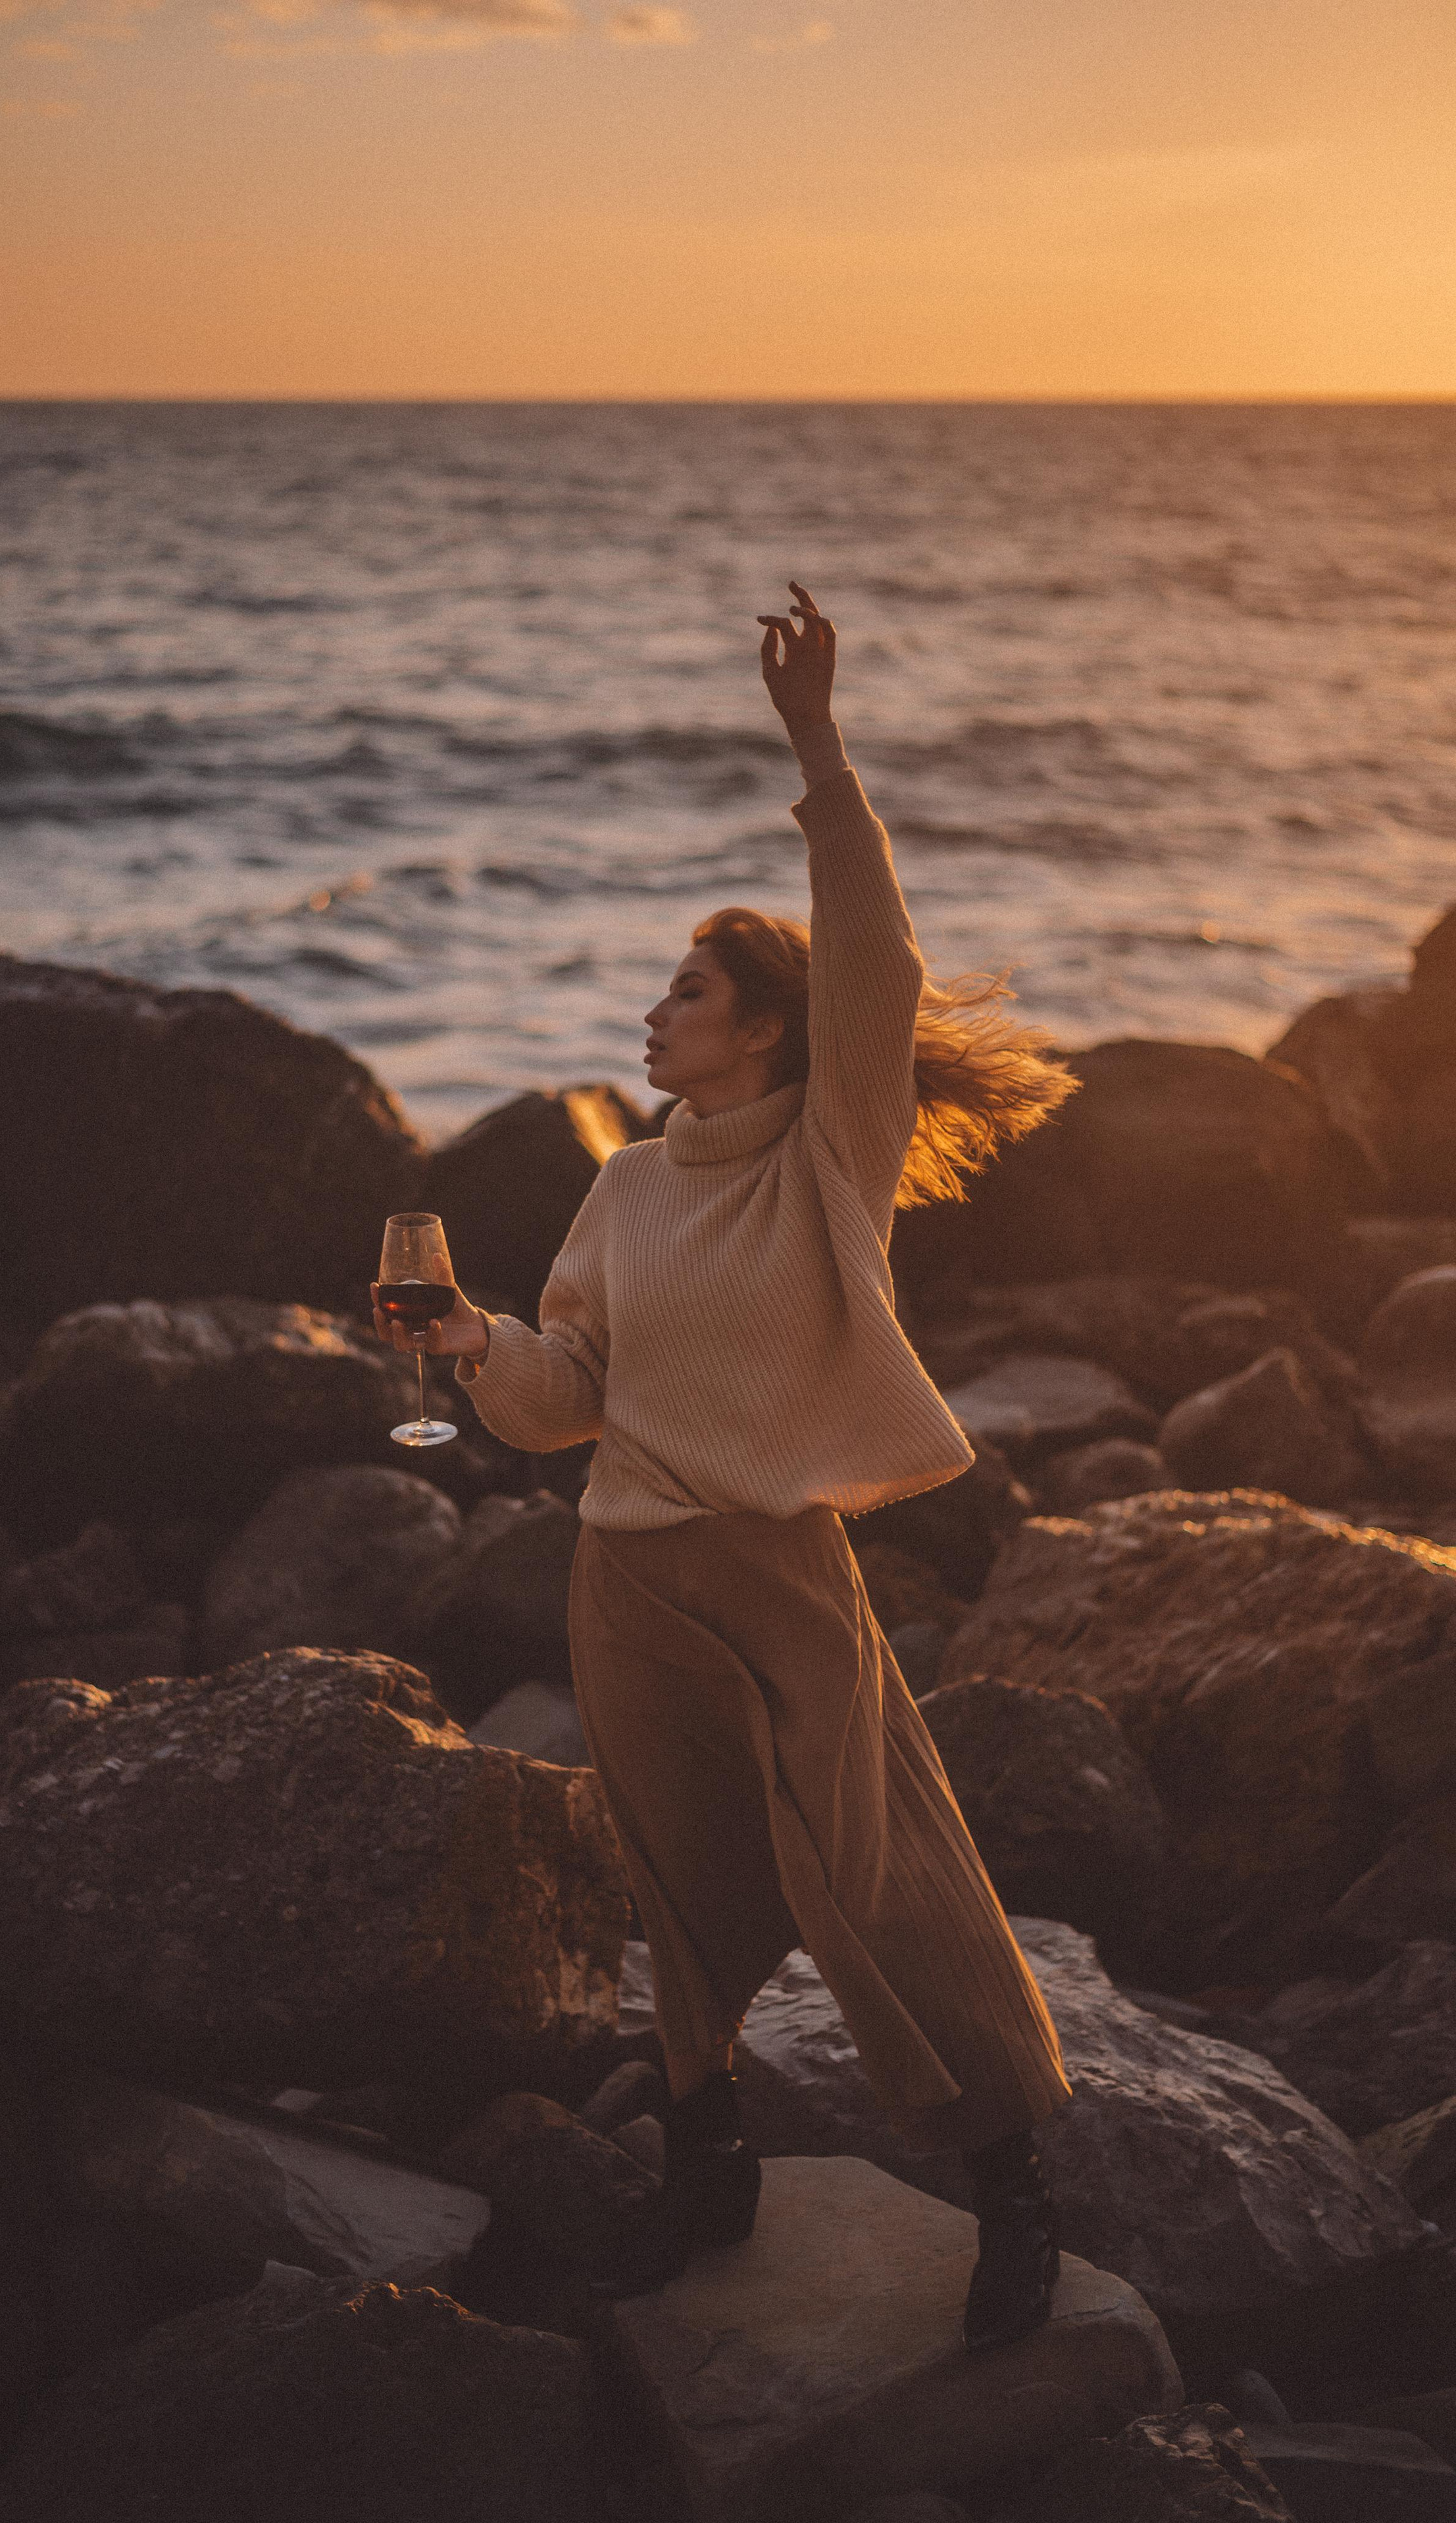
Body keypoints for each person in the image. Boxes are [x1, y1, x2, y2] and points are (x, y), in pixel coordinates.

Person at [373, 584, 1078, 2349]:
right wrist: (472, 1347)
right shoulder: (626, 1188)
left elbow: (880, 964)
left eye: (685, 988)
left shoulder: (830, 1155)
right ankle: (710, 2165)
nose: (654, 1013)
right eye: (661, 987)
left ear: (764, 1025)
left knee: (874, 1866)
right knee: (675, 1884)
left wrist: (818, 751)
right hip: (626, 1573)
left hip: (777, 1569)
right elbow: (569, 1395)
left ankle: (1016, 2177)